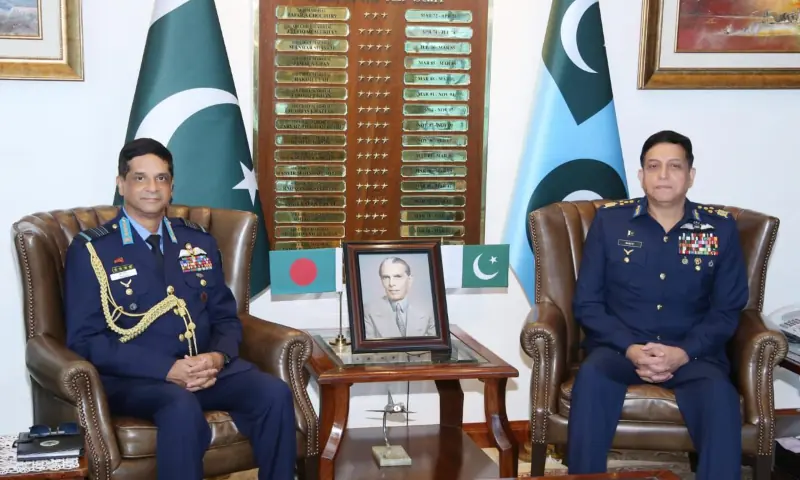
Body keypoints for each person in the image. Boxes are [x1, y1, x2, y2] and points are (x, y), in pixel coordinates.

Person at [64, 138, 296, 480]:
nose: (152, 188)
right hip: (138, 379)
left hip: (205, 369)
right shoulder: (93, 250)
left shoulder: (198, 242)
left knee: (273, 393)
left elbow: (225, 317)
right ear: (121, 185)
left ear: (172, 187)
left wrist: (217, 358)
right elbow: (85, 340)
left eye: (161, 178)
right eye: (140, 178)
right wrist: (166, 369)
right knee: (179, 406)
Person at [567, 130, 747, 480]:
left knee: (720, 400)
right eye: (654, 166)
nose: (663, 175)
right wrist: (630, 348)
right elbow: (587, 302)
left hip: (693, 355)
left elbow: (727, 310)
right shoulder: (610, 222)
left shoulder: (719, 229)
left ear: (690, 175)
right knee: (590, 379)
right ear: (641, 175)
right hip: (620, 349)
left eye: (674, 166)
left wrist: (683, 352)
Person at [362, 257, 436, 339]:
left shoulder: (428, 310)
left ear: (410, 280)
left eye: (397, 276)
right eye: (386, 277)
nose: (391, 283)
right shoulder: (367, 311)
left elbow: (434, 347)